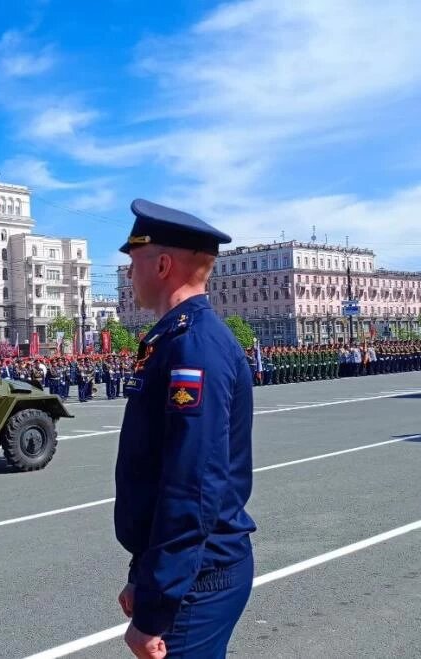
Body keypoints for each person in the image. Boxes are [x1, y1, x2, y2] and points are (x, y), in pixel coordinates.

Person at [115, 199, 255, 658]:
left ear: (161, 264)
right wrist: (144, 573)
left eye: (133, 261)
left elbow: (192, 486)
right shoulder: (175, 338)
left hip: (198, 577)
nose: (129, 274)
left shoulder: (193, 346)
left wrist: (156, 607)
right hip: (188, 570)